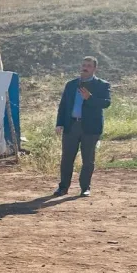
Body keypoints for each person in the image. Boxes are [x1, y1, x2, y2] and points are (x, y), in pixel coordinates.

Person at [55, 56, 111, 197]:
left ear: (94, 68)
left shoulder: (102, 85)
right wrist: (59, 123)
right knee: (67, 159)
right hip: (71, 126)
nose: (85, 68)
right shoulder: (71, 84)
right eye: (84, 65)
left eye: (89, 65)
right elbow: (63, 105)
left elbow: (106, 103)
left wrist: (90, 98)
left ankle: (85, 188)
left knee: (88, 160)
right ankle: (63, 188)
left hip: (90, 128)